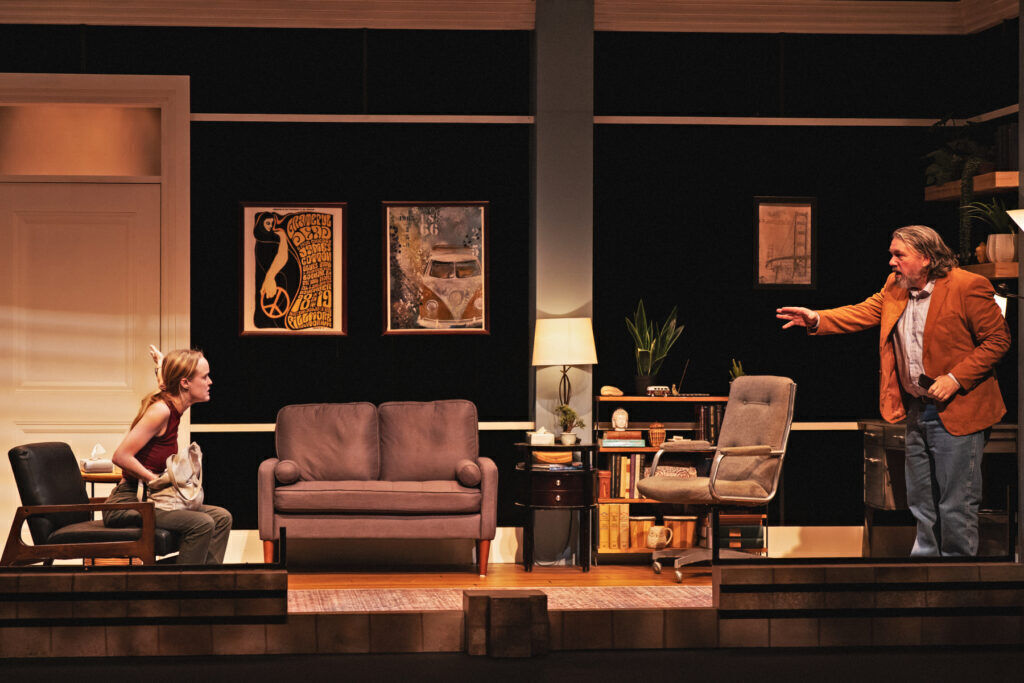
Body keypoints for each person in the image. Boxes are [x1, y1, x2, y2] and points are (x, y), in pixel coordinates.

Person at [776, 225, 1010, 557]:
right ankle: (925, 575)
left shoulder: (967, 286)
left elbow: (998, 340)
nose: (891, 261)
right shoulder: (895, 288)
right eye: (891, 253)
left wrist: (955, 378)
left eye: (898, 254)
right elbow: (862, 312)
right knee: (920, 500)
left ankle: (958, 584)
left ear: (926, 258)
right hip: (918, 408)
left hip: (960, 408)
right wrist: (816, 318)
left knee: (956, 502)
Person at [103, 348, 232, 564]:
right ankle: (180, 586)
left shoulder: (174, 406)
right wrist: (155, 481)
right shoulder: (160, 411)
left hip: (153, 502)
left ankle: (202, 580)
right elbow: (121, 456)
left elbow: (166, 386)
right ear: (185, 383)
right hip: (130, 502)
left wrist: (161, 365)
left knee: (221, 517)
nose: (210, 382)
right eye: (204, 376)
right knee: (201, 523)